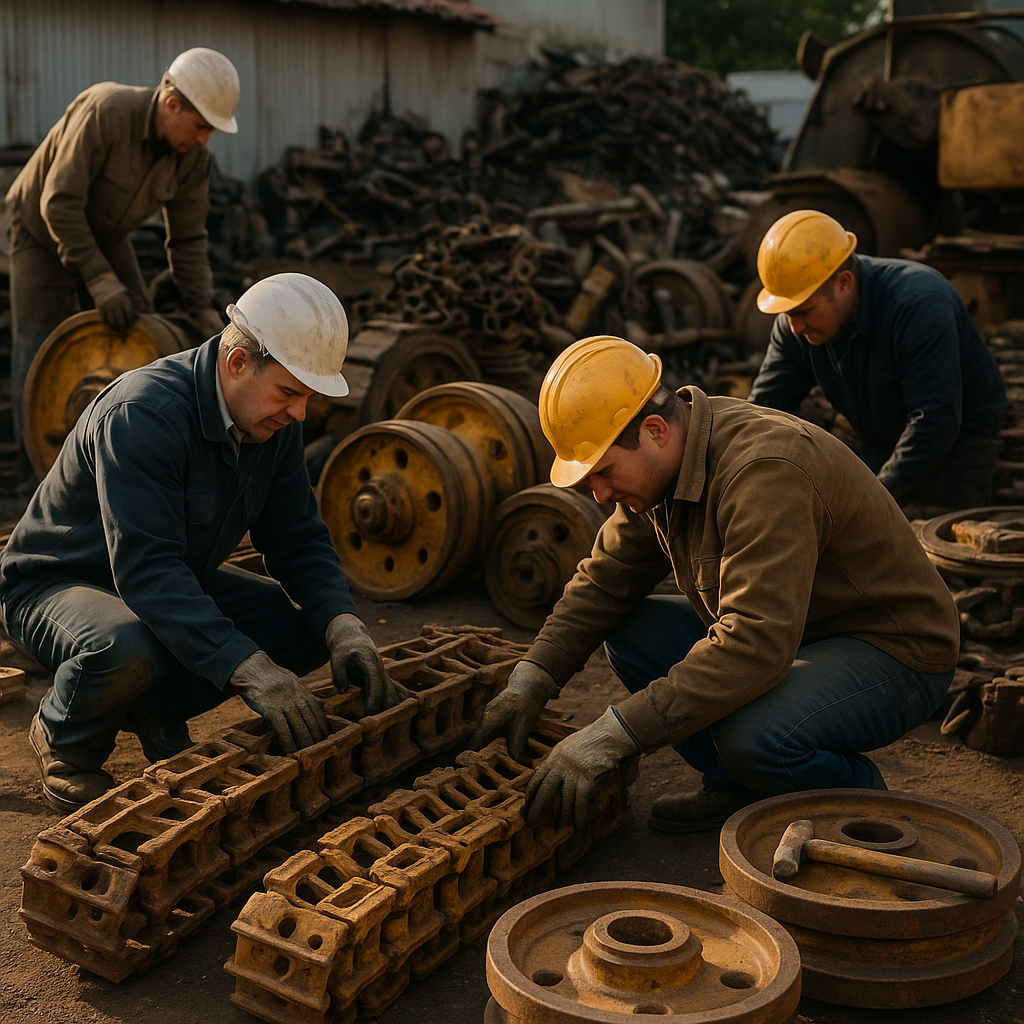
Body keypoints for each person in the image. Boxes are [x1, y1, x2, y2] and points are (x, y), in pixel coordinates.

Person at [472, 335, 959, 833]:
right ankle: (737, 785)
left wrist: (617, 733)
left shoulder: (764, 470)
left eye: (604, 472)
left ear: (655, 430)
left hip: (891, 647)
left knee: (757, 737)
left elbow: (756, 644)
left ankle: (863, 805)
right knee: (633, 629)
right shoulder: (665, 468)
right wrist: (534, 673)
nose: (598, 494)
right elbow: (604, 581)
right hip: (800, 631)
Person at [0, 273, 398, 813]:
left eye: (306, 397)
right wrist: (252, 670)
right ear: (237, 364)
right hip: (59, 583)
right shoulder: (143, 414)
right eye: (289, 393)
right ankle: (64, 743)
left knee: (304, 629)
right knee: (125, 645)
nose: (300, 412)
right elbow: (146, 570)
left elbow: (298, 537)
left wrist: (344, 626)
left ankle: (153, 708)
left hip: (165, 577)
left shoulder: (272, 422)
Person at [5, 46, 241, 458]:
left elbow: (188, 240)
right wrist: (99, 280)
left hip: (106, 234)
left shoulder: (191, 159)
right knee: (41, 344)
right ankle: (37, 468)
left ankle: (119, 449)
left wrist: (202, 308)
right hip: (41, 231)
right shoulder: (106, 112)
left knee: (142, 326)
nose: (204, 140)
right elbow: (58, 204)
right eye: (201, 127)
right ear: (171, 103)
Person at [746, 210, 1007, 512]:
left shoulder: (918, 304)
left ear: (844, 282)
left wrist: (872, 504)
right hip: (877, 433)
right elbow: (765, 408)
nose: (794, 327)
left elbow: (935, 418)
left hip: (958, 439)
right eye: (786, 313)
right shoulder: (796, 322)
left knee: (937, 541)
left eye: (803, 311)